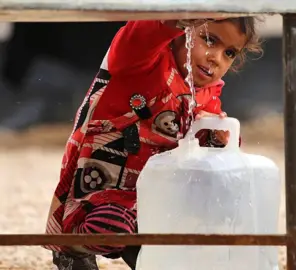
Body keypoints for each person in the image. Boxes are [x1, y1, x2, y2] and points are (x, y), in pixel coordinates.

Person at [43, 17, 262, 269]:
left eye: (230, 53)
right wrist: (176, 15)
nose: (216, 58)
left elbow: (211, 149)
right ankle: (73, 247)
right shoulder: (140, 60)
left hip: (152, 196)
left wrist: (216, 136)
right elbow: (142, 32)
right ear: (181, 32)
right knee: (109, 227)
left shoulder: (206, 94)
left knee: (174, 238)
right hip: (105, 180)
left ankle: (145, 250)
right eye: (210, 40)